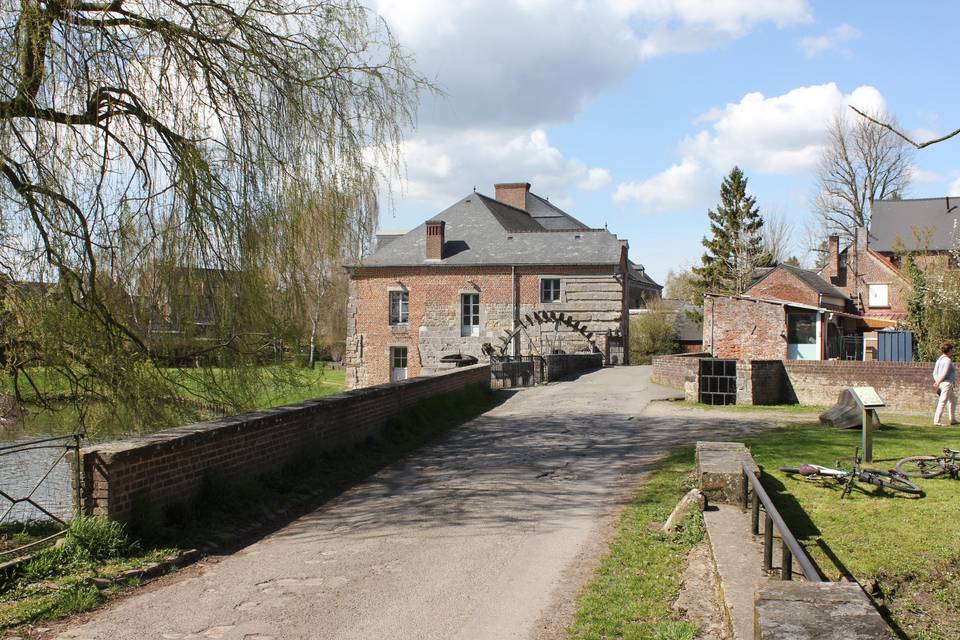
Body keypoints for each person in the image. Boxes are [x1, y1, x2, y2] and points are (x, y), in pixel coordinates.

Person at [933, 341, 958, 426]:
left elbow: (934, 373)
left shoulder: (939, 359)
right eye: (952, 350)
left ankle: (953, 419)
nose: (953, 351)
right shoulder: (947, 360)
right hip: (946, 384)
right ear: (949, 350)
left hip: (944, 384)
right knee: (942, 402)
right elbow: (944, 372)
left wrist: (937, 381)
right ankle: (937, 421)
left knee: (953, 400)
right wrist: (938, 382)